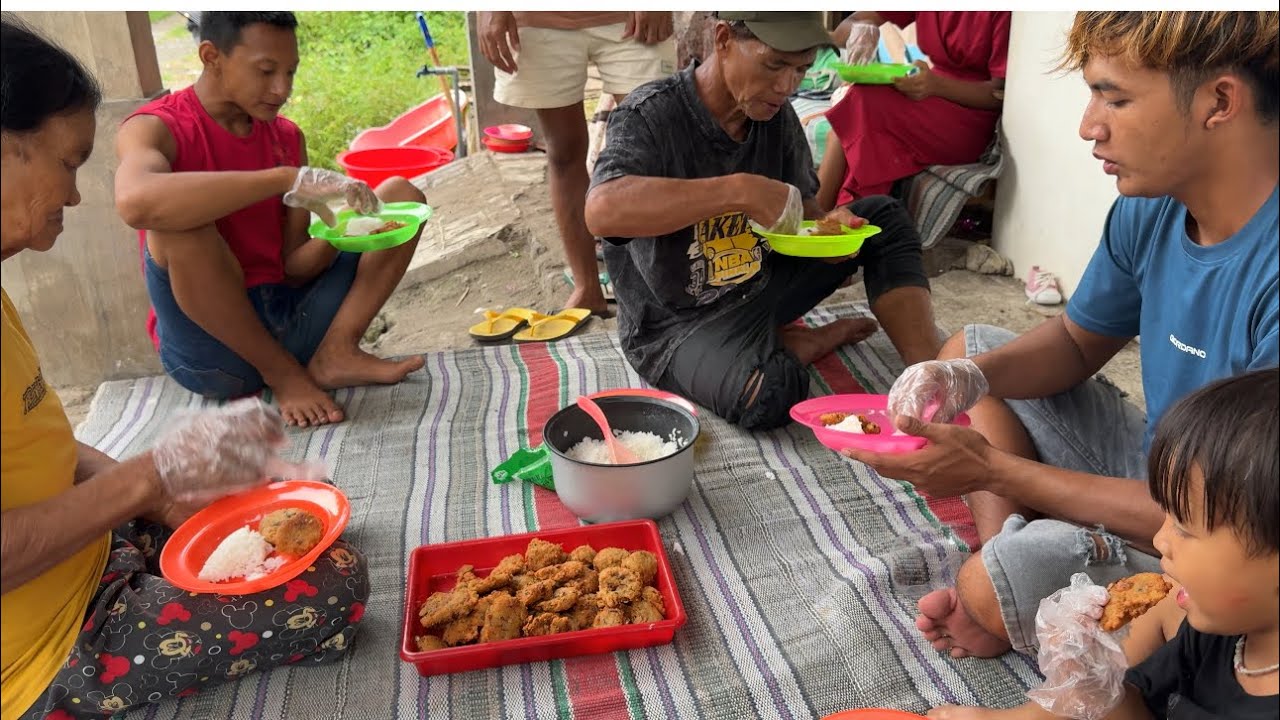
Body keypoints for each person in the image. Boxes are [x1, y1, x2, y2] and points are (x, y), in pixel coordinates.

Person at [841, 10, 1279, 660]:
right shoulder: (1152, 207)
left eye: (1116, 97)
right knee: (969, 349)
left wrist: (993, 469)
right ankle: (1009, 546)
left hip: (1230, 537)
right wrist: (969, 378)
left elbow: (1231, 522)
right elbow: (1075, 344)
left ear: (1220, 101)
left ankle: (1014, 572)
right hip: (1158, 469)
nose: (1089, 126)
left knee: (995, 585)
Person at [0, 18, 369, 720]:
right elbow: (144, 202)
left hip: (89, 546)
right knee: (334, 586)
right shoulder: (163, 128)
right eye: (68, 162)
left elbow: (38, 442)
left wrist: (165, 502)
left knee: (297, 519)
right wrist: (155, 472)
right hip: (42, 652)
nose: (76, 197)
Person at [584, 11, 944, 431]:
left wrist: (828, 229)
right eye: (774, 64)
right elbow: (601, 210)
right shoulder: (651, 114)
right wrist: (737, 191)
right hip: (677, 324)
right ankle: (804, 343)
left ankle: (931, 376)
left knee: (884, 218)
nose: (787, 86)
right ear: (722, 39)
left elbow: (802, 209)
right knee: (769, 394)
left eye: (801, 69)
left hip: (760, 286)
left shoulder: (776, 115)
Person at [115, 12, 426, 428]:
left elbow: (294, 268)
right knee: (180, 226)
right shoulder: (157, 128)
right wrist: (284, 179)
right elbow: (136, 203)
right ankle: (283, 374)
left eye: (290, 72)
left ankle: (336, 352)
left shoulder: (285, 137)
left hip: (288, 320)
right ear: (212, 56)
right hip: (211, 354)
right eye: (265, 71)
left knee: (401, 195)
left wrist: (342, 227)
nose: (282, 89)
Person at [928, 368, 1279, 719]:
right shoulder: (1224, 626)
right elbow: (1139, 709)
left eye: (1184, 528)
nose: (1159, 540)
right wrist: (1089, 681)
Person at [478, 11, 676, 317]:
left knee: (656, 147)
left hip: (631, 18)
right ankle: (587, 288)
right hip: (536, 21)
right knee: (564, 150)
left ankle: (667, 290)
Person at [816, 12, 1010, 211]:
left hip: (972, 116)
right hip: (931, 93)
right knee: (856, 106)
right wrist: (862, 28)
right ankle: (825, 216)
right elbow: (848, 25)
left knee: (863, 107)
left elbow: (998, 94)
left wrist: (937, 86)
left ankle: (834, 214)